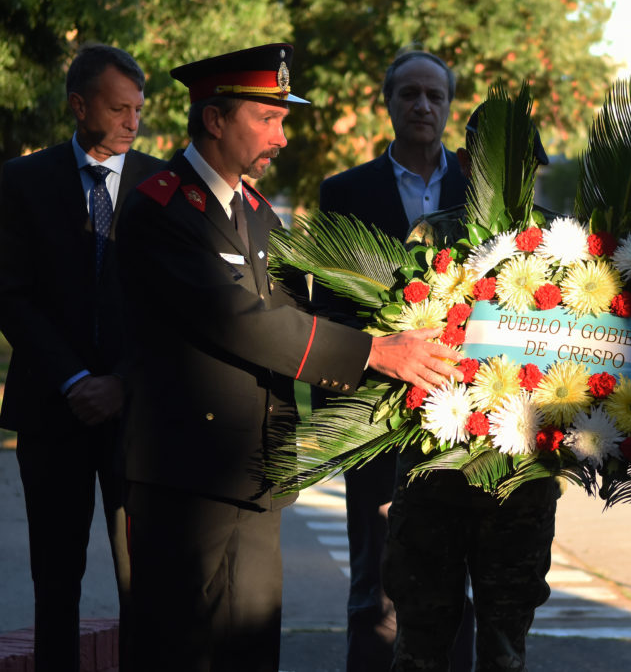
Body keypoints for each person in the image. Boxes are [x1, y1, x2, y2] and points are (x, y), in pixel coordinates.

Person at [114, 43, 462, 671]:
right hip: (185, 479)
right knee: (175, 649)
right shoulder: (161, 208)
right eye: (267, 117)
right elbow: (240, 320)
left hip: (258, 472)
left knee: (249, 653)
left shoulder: (258, 216)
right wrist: (375, 351)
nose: (281, 134)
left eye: (283, 117)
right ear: (215, 120)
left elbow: (303, 316)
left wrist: (415, 330)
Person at [0, 43, 163, 671]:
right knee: (55, 581)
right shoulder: (23, 181)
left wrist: (120, 382)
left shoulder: (159, 184)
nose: (131, 122)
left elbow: (169, 306)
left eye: (138, 110)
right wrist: (74, 379)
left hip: (137, 416)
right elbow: (10, 294)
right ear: (78, 105)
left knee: (143, 583)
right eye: (118, 108)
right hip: (52, 409)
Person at [382, 101, 560, 672]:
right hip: (434, 482)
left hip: (519, 491)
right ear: (463, 164)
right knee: (421, 649)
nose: (511, 183)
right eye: (494, 169)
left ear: (537, 169)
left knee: (505, 653)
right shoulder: (430, 238)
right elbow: (396, 337)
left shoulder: (566, 250)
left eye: (521, 168)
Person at [318, 50, 471, 672]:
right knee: (376, 589)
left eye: (434, 96)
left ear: (448, 106)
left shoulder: (479, 193)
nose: (422, 106)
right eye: (409, 94)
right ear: (388, 103)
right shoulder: (346, 193)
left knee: (456, 588)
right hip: (375, 421)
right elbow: (330, 308)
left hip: (467, 422)